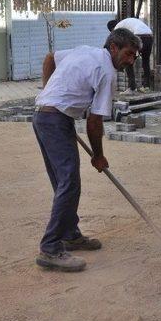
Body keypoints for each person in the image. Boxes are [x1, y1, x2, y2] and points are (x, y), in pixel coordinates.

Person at [33, 29, 141, 272]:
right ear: (113, 47)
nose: (131, 61)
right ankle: (50, 248)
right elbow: (94, 121)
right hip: (54, 120)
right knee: (69, 182)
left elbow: (51, 57)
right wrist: (98, 155)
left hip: (46, 116)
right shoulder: (107, 72)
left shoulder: (85, 51)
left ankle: (70, 234)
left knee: (64, 181)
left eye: (134, 56)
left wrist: (48, 92)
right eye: (128, 54)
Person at [107, 18, 153, 94]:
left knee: (128, 60)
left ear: (112, 29)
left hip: (139, 35)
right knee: (146, 61)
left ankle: (131, 88)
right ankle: (146, 87)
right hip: (149, 35)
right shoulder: (125, 23)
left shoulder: (117, 29)